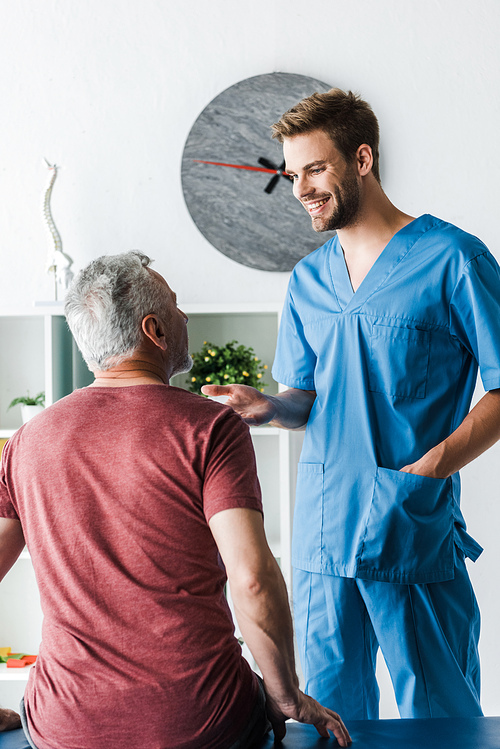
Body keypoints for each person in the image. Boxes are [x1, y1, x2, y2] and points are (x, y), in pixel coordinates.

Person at [202, 88, 500, 721]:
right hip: (321, 530)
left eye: (315, 169)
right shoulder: (308, 280)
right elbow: (304, 400)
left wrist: (427, 473)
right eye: (292, 174)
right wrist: (270, 409)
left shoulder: (453, 258)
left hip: (407, 518)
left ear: (362, 158)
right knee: (334, 713)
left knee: (442, 710)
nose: (300, 188)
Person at [0, 252, 350, 749]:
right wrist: (287, 696)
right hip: (202, 724)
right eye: (176, 306)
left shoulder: (26, 441)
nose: (184, 317)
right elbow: (252, 579)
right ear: (155, 330)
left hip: (64, 726)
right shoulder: (210, 428)